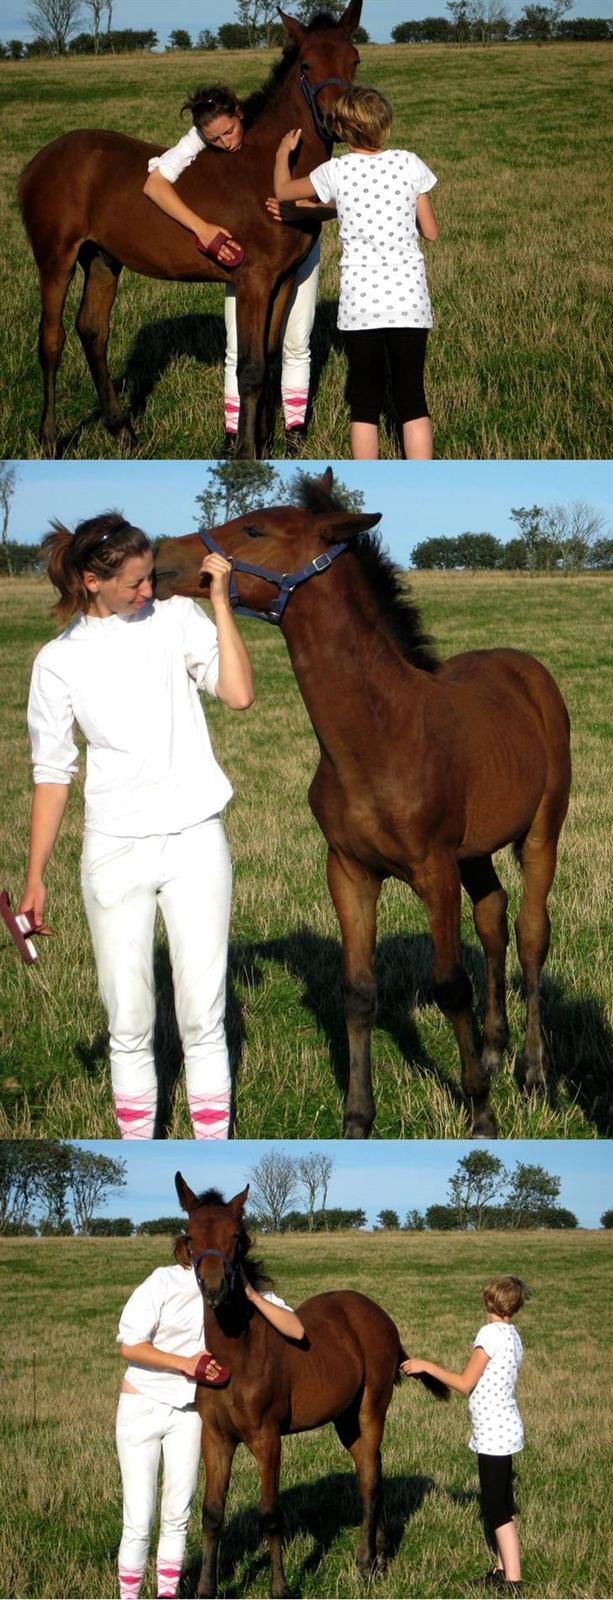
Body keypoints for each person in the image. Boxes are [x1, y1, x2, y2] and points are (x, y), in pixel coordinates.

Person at [19, 512, 254, 1141]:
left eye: (151, 577)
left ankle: (213, 1149)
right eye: (135, 583)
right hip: (113, 853)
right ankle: (137, 1152)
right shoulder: (57, 663)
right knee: (128, 1022)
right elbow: (52, 773)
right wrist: (35, 877)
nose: (149, 591)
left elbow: (237, 694)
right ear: (92, 582)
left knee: (203, 1018)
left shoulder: (177, 619)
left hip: (196, 840)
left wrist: (221, 605)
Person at [116, 1227, 304, 1600]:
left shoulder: (233, 1289)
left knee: (177, 1516)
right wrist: (184, 1363)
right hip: (143, 1406)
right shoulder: (165, 1281)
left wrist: (251, 1294)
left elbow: (296, 1328)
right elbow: (129, 1345)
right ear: (191, 1245)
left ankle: (167, 1594)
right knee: (139, 1519)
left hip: (189, 1411)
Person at [143, 84, 321, 452]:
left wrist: (301, 208)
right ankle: (235, 433)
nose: (225, 142)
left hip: (299, 237)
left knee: (296, 340)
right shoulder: (196, 140)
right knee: (238, 345)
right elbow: (154, 184)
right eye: (215, 139)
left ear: (240, 112)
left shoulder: (272, 119)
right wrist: (203, 228)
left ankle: (295, 430)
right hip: (250, 251)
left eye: (229, 131)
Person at [271, 84, 438, 461]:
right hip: (409, 301)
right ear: (385, 125)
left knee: (364, 403)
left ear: (341, 131)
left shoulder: (335, 170)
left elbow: (282, 190)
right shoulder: (410, 163)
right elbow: (431, 232)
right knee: (412, 398)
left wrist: (283, 153)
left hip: (361, 305)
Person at [402, 1274, 528, 1593]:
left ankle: (513, 1581)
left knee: (495, 1508)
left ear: (488, 1301)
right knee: (503, 1501)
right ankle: (502, 1569)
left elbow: (464, 1383)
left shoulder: (489, 1334)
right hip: (506, 1427)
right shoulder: (513, 1335)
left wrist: (425, 1365)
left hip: (494, 1432)